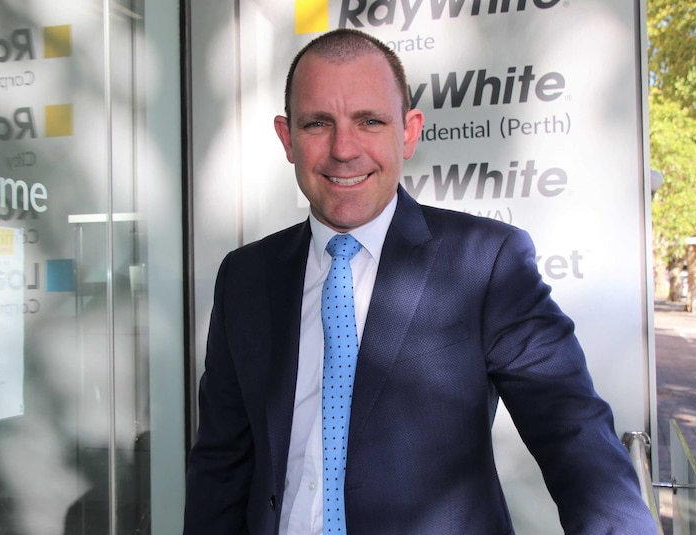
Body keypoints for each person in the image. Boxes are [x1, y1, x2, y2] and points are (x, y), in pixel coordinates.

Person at [184, 28, 657, 534]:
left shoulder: (485, 262)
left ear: (408, 132)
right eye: (318, 123)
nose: (344, 149)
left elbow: (573, 433)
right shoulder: (245, 278)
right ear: (288, 138)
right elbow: (220, 466)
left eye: (369, 121)